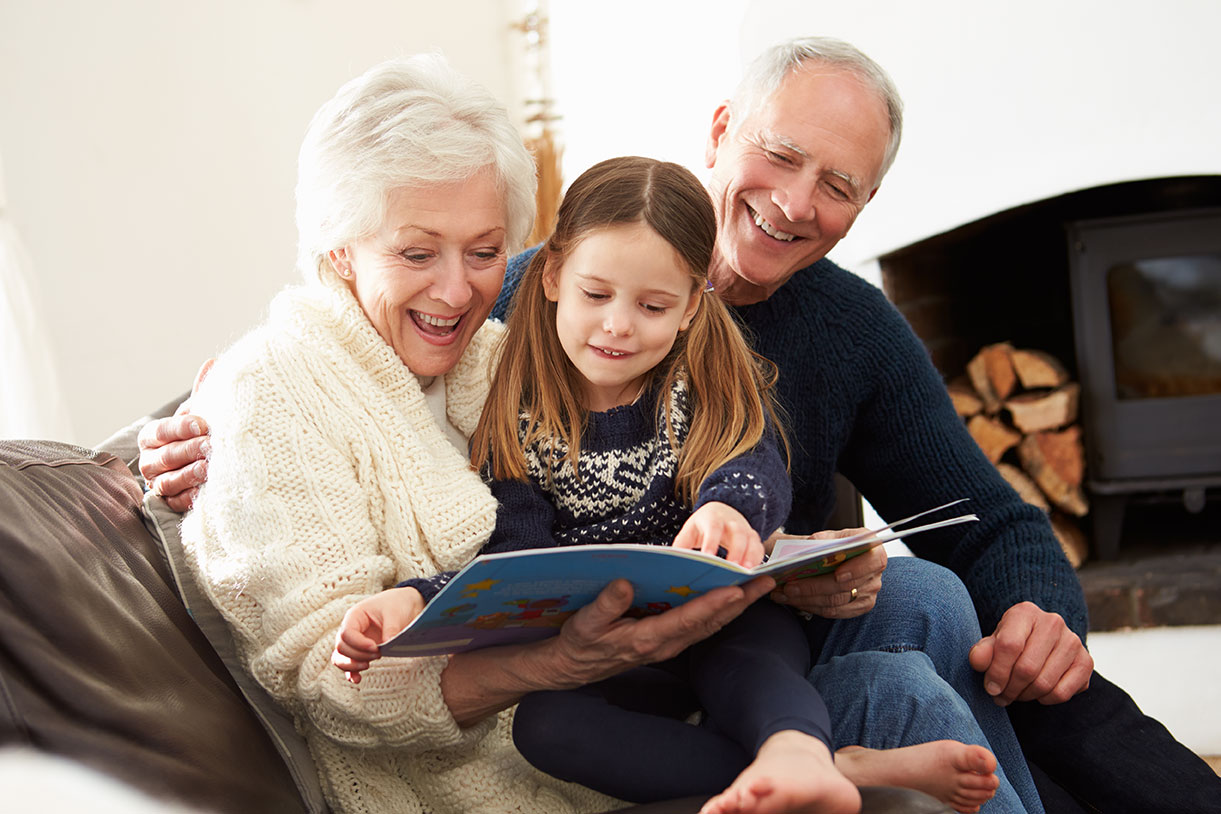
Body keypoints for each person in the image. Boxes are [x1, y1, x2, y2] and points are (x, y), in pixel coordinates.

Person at [140, 36, 1221, 814]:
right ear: (720, 132)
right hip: (615, 662)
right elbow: (353, 353)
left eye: (838, 184)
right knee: (912, 656)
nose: (796, 202)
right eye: (781, 156)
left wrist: (1045, 608)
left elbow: (986, 516)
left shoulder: (847, 327)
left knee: (959, 607)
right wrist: (185, 422)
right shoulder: (531, 303)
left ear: (866, 205)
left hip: (753, 622)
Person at [170, 54, 789, 814]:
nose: (457, 291)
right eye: (416, 252)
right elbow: (334, 688)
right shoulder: (269, 392)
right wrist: (555, 664)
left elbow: (692, 432)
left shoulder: (502, 358)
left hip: (639, 718)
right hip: (467, 785)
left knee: (904, 618)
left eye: (486, 251)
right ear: (339, 248)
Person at [331, 155, 1004, 814]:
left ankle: (795, 753)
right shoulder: (514, 411)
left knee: (753, 660)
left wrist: (727, 508)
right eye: (596, 295)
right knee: (545, 727)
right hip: (613, 656)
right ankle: (836, 771)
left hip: (724, 622)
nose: (618, 325)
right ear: (553, 275)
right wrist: (413, 602)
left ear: (688, 307)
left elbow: (752, 465)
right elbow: (511, 561)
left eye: (652, 306)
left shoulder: (697, 385)